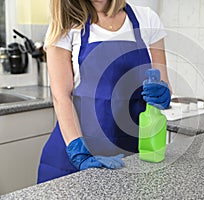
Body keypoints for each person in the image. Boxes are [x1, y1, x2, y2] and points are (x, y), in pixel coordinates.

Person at [37, 0, 172, 183]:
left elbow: (162, 80)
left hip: (131, 156)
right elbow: (61, 96)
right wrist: (79, 152)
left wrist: (162, 94)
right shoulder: (66, 24)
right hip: (76, 154)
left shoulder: (146, 19)